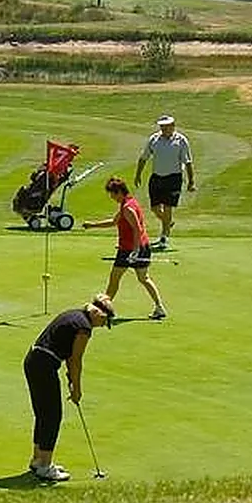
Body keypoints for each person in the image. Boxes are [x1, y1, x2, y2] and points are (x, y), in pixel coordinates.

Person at [23, 294, 116, 482]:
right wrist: (77, 389)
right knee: (52, 415)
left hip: (34, 360)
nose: (101, 325)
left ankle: (37, 460)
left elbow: (65, 352)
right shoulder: (84, 327)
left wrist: (69, 379)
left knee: (43, 413)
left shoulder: (74, 315)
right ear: (98, 313)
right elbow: (76, 360)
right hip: (44, 365)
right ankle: (45, 466)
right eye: (104, 321)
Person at [83, 176, 167, 320]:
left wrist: (134, 251)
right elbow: (114, 222)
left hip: (131, 249)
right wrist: (92, 225)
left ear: (119, 192)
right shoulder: (128, 203)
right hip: (139, 247)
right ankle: (159, 307)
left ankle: (104, 309)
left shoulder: (128, 208)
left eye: (112, 194)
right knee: (142, 278)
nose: (111, 197)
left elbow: (137, 229)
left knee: (116, 278)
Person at [133, 113, 194, 249]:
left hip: (173, 178)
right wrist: (138, 175)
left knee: (168, 207)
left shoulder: (181, 140)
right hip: (156, 177)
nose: (163, 129)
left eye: (166, 126)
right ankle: (168, 222)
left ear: (173, 126)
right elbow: (144, 158)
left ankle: (164, 238)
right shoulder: (154, 139)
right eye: (162, 127)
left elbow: (188, 162)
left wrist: (191, 181)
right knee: (154, 208)